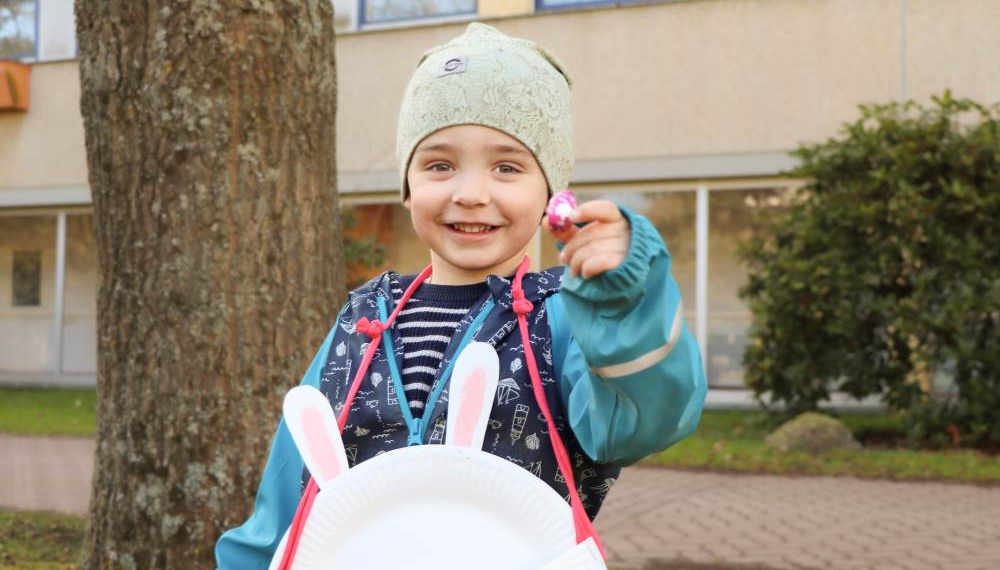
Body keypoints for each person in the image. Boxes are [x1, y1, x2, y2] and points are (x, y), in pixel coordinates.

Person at [215, 22, 706, 569]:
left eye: (507, 167)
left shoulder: (564, 316)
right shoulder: (362, 319)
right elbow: (288, 493)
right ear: (408, 188)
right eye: (440, 165)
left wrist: (624, 299)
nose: (471, 194)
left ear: (550, 191)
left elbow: (641, 421)